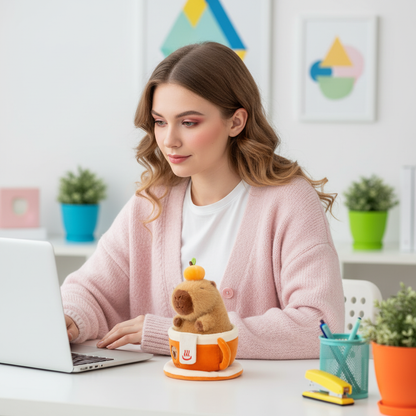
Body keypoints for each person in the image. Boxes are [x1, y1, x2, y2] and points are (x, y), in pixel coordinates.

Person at [62, 42, 344, 360]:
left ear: (235, 122)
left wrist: (178, 334)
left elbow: (319, 325)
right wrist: (69, 317)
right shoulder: (152, 203)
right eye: (160, 121)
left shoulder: (288, 201)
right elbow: (92, 289)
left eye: (189, 122)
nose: (169, 140)